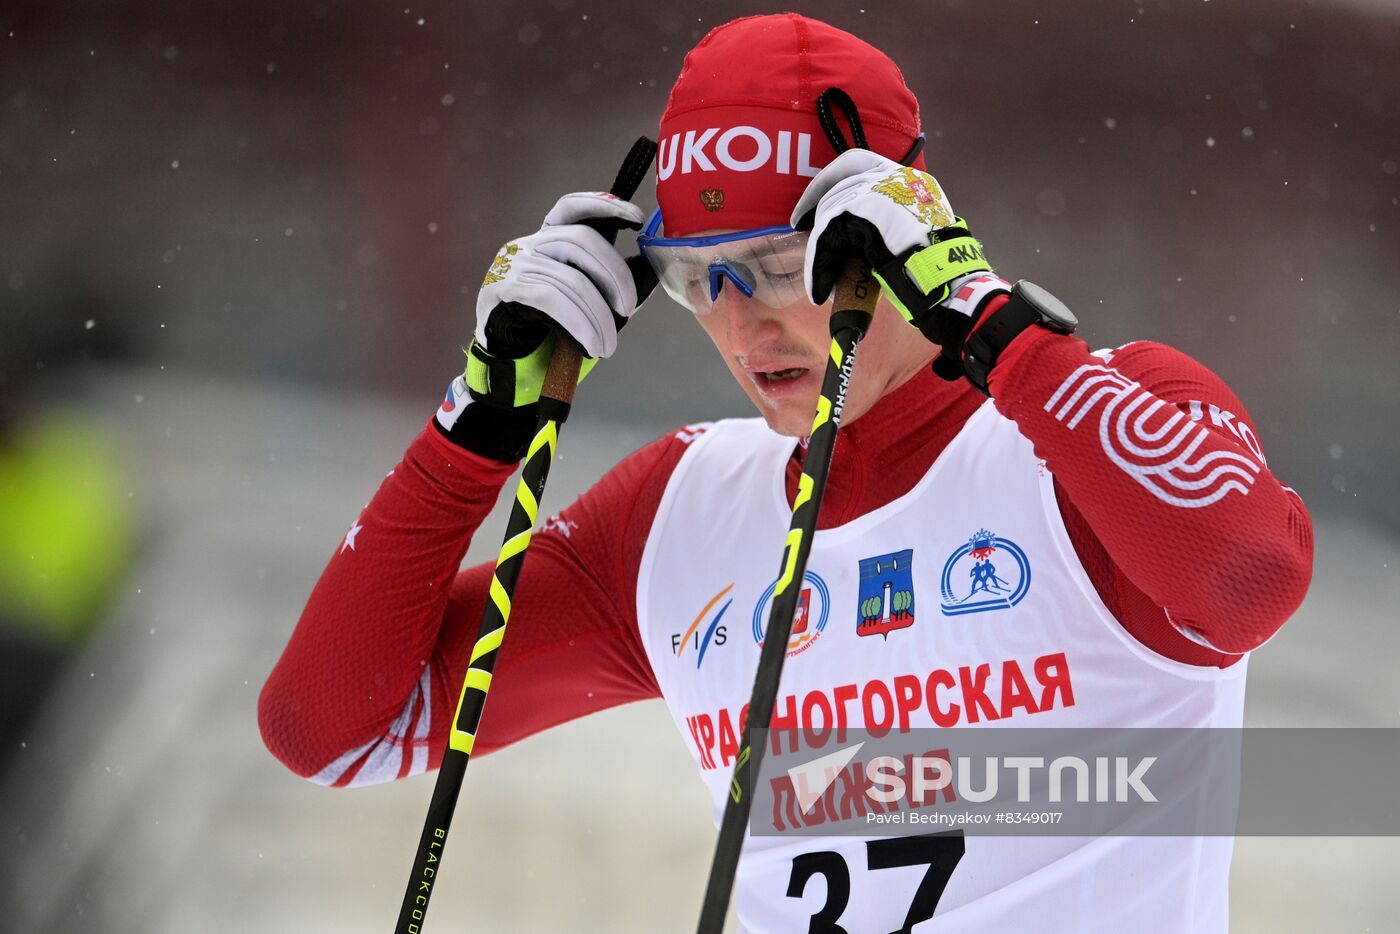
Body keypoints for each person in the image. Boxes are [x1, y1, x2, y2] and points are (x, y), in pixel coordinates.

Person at [259, 13, 1313, 932]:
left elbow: (1243, 582)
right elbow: (329, 728)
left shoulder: (1087, 424)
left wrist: (990, 319)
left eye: (775, 265)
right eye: (694, 278)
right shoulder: (679, 511)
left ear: (893, 232)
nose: (739, 320)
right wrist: (476, 424)